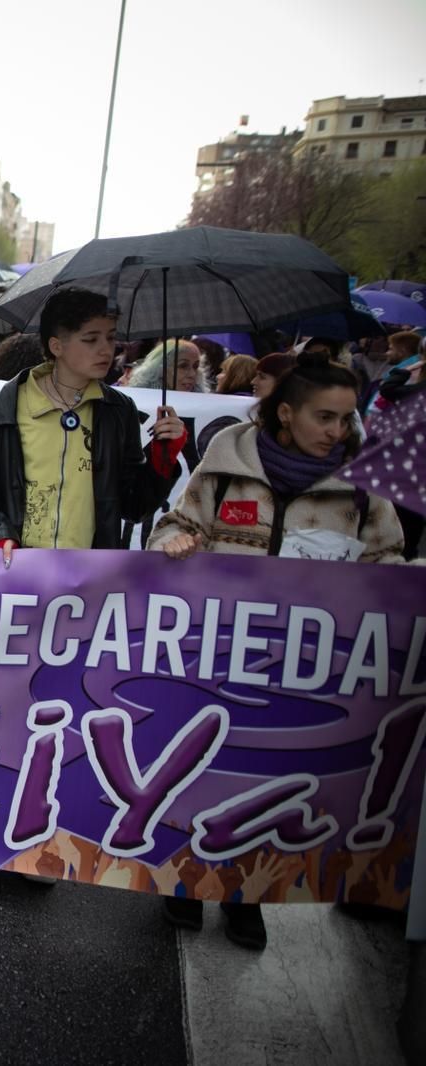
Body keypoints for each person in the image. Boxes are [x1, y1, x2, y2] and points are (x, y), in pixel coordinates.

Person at [148, 353, 407, 949]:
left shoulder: (365, 489)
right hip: (214, 656)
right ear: (286, 413)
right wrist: (178, 542)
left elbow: (388, 568)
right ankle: (184, 882)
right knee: (201, 767)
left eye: (346, 419)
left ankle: (247, 895)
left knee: (276, 780)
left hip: (305, 673)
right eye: (324, 417)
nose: (336, 432)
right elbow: (173, 524)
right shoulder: (223, 467)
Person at [0, 287, 186, 558]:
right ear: (56, 346)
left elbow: (133, 506)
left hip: (85, 581)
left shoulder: (118, 412)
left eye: (110, 338)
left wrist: (162, 458)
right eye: (90, 339)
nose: (105, 349)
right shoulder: (2, 412)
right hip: (11, 575)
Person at [126, 339, 206, 393]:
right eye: (183, 366)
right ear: (161, 368)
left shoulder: (204, 402)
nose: (192, 374)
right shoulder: (138, 400)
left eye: (195, 367)